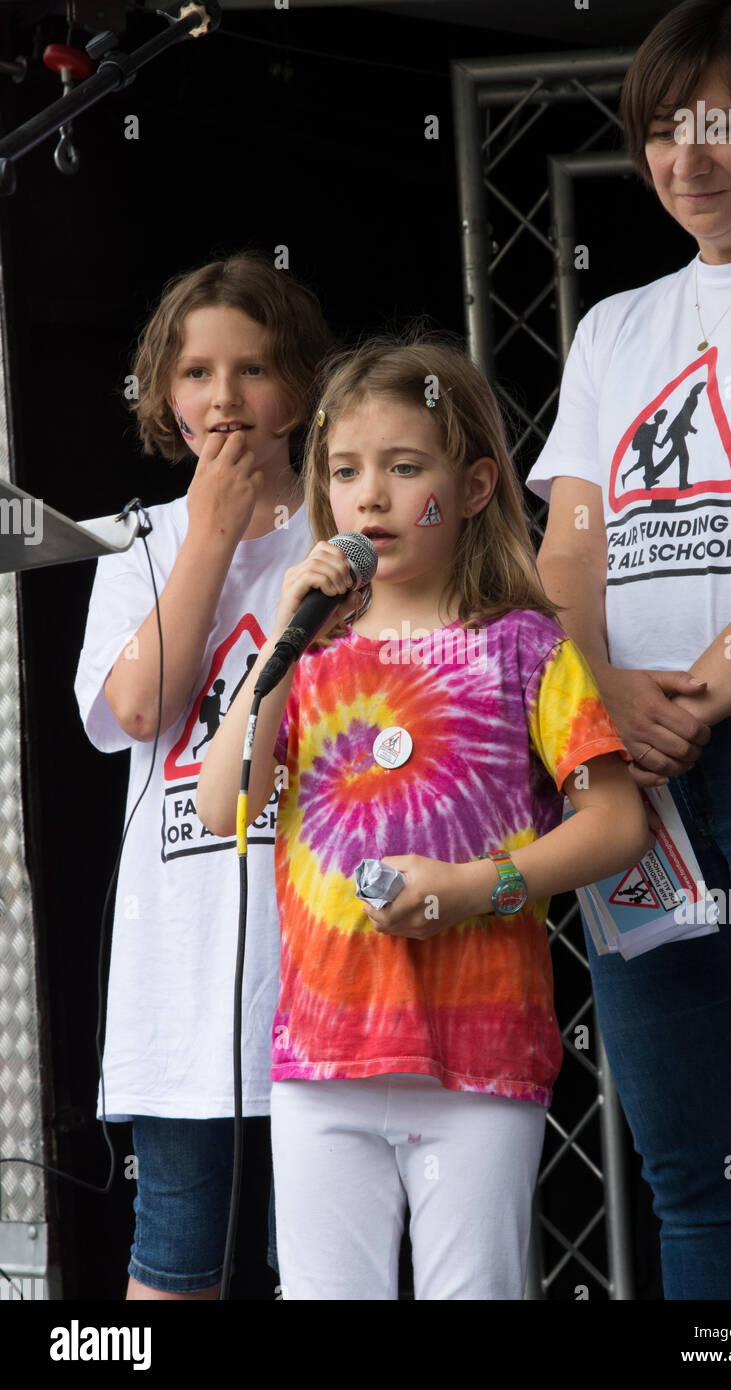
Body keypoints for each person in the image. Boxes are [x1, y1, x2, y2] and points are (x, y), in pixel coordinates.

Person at [196, 334, 653, 1300]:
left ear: (478, 485)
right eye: (346, 472)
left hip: (479, 1058)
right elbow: (220, 799)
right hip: (323, 1061)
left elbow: (616, 824)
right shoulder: (309, 657)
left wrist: (476, 885)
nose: (369, 497)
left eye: (405, 469)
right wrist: (284, 641)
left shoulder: (522, 646)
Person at [526, 0, 731, 1300]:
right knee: (694, 1167)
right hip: (633, 769)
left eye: (721, 123)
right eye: (663, 129)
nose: (686, 158)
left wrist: (685, 695)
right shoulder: (615, 325)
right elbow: (565, 549)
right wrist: (599, 693)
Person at [74, 253, 334, 1299]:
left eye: (253, 369)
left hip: (329, 969)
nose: (222, 398)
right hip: (186, 988)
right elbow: (138, 709)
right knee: (175, 1264)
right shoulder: (136, 544)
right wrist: (211, 533)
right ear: (161, 393)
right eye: (193, 372)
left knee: (324, 1265)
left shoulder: (349, 527)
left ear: (303, 388)